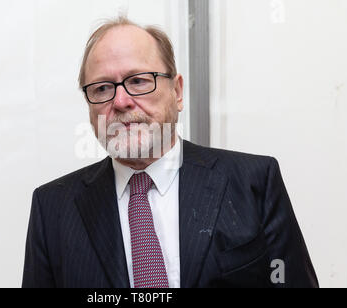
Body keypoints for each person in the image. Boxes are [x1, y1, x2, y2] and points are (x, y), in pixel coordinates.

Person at [22, 17, 318, 288]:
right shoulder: (53, 209)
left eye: (138, 81)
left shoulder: (253, 182)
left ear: (177, 92)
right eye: (101, 88)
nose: (121, 101)